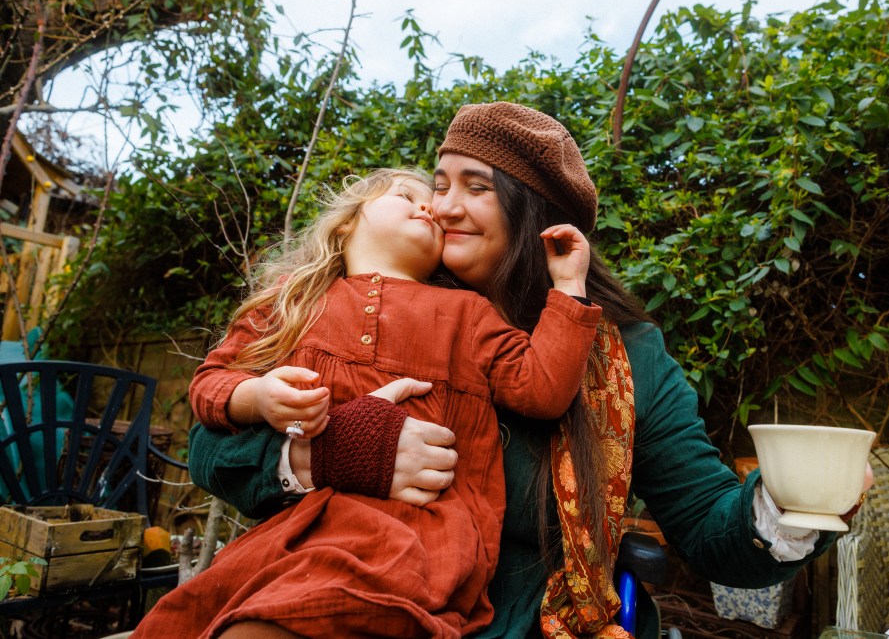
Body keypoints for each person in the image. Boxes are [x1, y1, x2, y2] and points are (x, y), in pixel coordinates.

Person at [188, 103, 862, 639]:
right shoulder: (377, 309)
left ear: (535, 213)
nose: (440, 205)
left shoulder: (624, 355)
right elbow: (212, 443)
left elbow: (708, 524)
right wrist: (333, 450)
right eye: (438, 183)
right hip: (355, 604)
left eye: (474, 188)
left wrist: (789, 505)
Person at [133, 167, 604, 638]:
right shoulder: (294, 302)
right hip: (303, 528)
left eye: (434, 208)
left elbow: (542, 387)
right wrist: (256, 398)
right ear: (346, 222)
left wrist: (567, 289)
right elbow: (211, 383)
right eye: (406, 195)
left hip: (419, 532)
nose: (429, 208)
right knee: (203, 614)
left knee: (290, 614)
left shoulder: (469, 315)